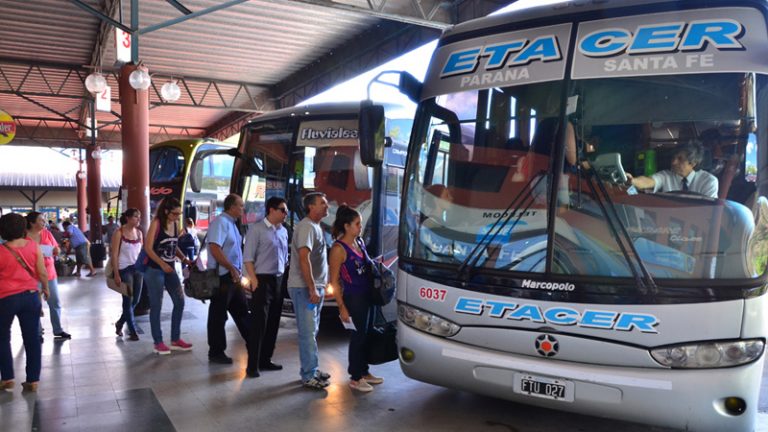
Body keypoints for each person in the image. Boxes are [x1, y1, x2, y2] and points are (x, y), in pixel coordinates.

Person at [328, 205, 384, 392]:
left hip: (368, 295)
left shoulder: (359, 243)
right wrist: (341, 306)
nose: (360, 227)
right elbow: (334, 280)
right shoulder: (338, 249)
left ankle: (364, 371)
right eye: (357, 224)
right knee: (358, 337)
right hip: (354, 298)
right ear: (346, 226)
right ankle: (355, 376)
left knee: (367, 335)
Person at [0, 213, 49, 392]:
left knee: (2, 337)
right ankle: (33, 380)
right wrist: (46, 288)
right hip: (30, 296)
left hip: (5, 299)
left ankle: (7, 378)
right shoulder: (33, 246)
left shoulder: (1, 250)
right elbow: (42, 272)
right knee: (32, 339)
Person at [287, 192, 331, 389]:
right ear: (311, 207)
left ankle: (312, 368)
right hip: (304, 288)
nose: (327, 206)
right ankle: (308, 374)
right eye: (322, 203)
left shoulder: (316, 227)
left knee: (312, 330)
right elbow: (303, 258)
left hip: (314, 287)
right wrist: (312, 287)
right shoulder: (306, 227)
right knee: (307, 332)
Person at [242, 196, 289, 377]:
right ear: (271, 210)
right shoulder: (257, 230)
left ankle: (266, 359)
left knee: (273, 322)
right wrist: (253, 279)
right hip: (261, 280)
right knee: (259, 324)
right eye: (282, 210)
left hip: (278, 279)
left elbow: (285, 256)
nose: (286, 214)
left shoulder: (283, 231)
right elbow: (248, 257)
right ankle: (252, 365)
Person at [144, 197, 194, 355]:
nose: (178, 217)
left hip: (170, 269)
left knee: (179, 301)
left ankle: (175, 339)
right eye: (175, 214)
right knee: (156, 306)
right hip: (155, 270)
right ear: (166, 211)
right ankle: (158, 342)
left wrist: (184, 258)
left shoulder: (175, 223)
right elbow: (148, 248)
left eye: (179, 214)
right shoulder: (156, 223)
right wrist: (162, 264)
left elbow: (174, 245)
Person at [206, 194, 251, 365]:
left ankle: (253, 342)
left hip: (233, 276)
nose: (243, 208)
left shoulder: (232, 224)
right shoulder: (220, 223)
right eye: (240, 205)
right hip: (222, 276)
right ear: (231, 206)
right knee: (218, 315)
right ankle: (216, 351)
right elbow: (214, 248)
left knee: (241, 310)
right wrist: (231, 267)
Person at [25, 212, 71, 340]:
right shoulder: (23, 237)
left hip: (49, 273)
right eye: (41, 220)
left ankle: (58, 329)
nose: (44, 222)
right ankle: (38, 332)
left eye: (44, 220)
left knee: (55, 302)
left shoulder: (47, 233)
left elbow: (57, 249)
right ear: (32, 223)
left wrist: (57, 251)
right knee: (34, 305)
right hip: (31, 275)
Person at [626, 140, 718, 198]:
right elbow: (649, 181)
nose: (673, 162)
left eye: (680, 159)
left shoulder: (709, 181)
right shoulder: (666, 175)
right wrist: (633, 181)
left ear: (693, 163)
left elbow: (709, 211)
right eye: (673, 158)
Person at [111, 208, 144, 341]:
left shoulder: (139, 233)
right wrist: (116, 273)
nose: (138, 219)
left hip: (138, 269)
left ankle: (120, 322)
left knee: (136, 300)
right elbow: (113, 254)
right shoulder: (119, 233)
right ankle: (132, 330)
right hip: (124, 269)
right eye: (136, 217)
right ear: (128, 218)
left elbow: (141, 253)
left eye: (139, 217)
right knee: (127, 299)